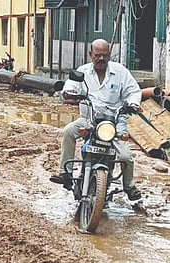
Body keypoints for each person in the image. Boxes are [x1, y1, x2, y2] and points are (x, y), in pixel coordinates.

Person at [49, 38, 142, 201]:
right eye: (97, 55)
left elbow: (133, 91)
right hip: (89, 120)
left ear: (109, 55)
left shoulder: (121, 72)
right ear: (90, 54)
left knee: (126, 156)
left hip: (114, 123)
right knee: (68, 131)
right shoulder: (83, 72)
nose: (101, 59)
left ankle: (129, 187)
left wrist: (133, 104)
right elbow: (70, 87)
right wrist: (69, 94)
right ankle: (65, 173)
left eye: (104, 55)